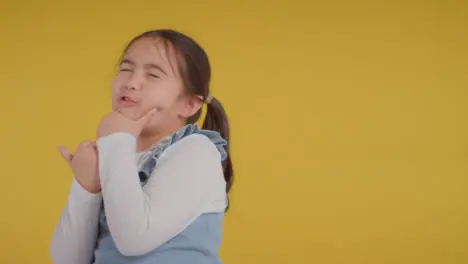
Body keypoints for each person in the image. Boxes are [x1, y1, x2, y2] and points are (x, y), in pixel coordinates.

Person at [50, 29, 234, 264]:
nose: (131, 82)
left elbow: (134, 240)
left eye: (153, 75)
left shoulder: (196, 151)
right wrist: (86, 187)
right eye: (125, 69)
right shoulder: (116, 157)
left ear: (189, 105)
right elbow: (68, 260)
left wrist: (116, 139)